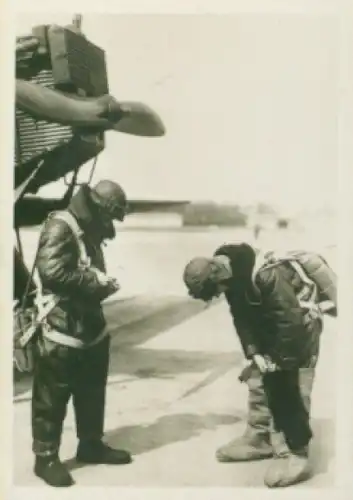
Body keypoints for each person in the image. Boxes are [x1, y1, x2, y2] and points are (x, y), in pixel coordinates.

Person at [183, 242, 322, 488]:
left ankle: (294, 451)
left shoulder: (267, 273)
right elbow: (242, 318)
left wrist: (279, 363)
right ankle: (261, 438)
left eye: (217, 290)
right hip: (270, 323)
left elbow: (289, 323)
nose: (219, 294)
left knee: (290, 385)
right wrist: (255, 353)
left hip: (299, 326)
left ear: (219, 275)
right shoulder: (229, 275)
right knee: (259, 376)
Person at [31, 180, 131, 487]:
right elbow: (52, 272)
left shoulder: (89, 228)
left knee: (92, 390)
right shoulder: (61, 225)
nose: (111, 223)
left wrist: (100, 285)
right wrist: (96, 283)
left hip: (89, 329)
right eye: (111, 216)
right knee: (52, 396)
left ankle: (90, 444)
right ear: (101, 208)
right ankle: (45, 458)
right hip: (61, 328)